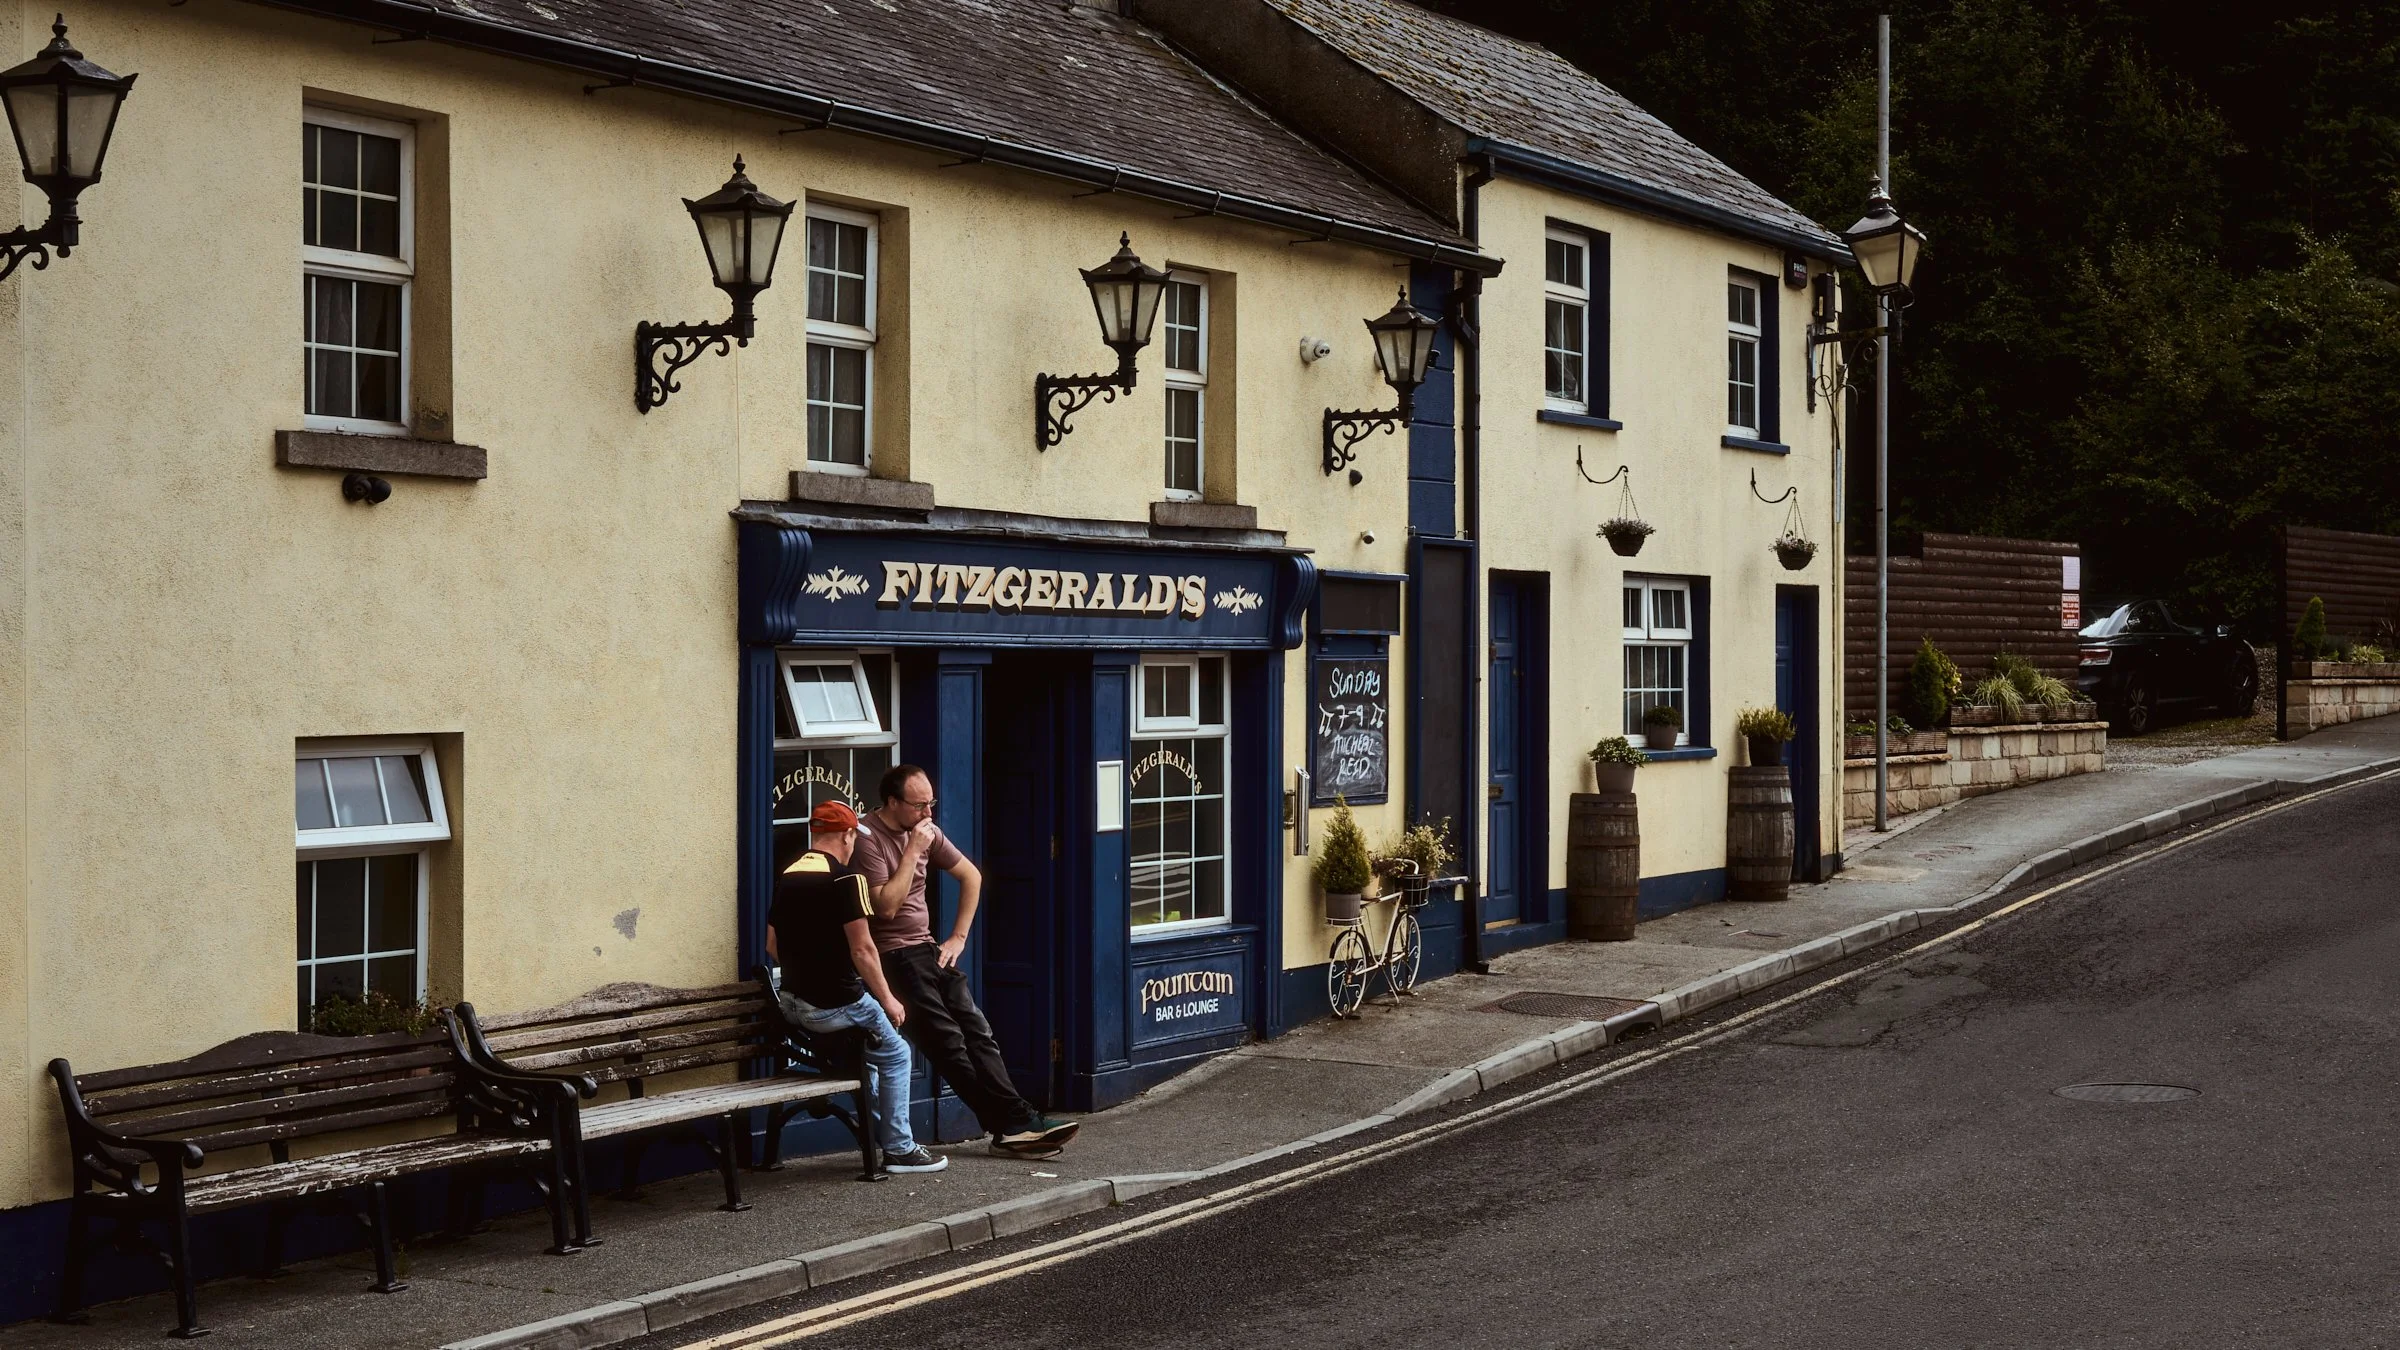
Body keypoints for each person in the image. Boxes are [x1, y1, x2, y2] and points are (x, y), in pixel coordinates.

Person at [859, 764, 1079, 1159]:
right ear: (892, 802)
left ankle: (1015, 1123)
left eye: (932, 804)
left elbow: (971, 876)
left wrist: (958, 937)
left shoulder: (927, 830)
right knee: (948, 1043)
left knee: (978, 1031)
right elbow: (887, 907)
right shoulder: (867, 839)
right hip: (893, 956)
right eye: (918, 806)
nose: (928, 815)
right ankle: (1013, 1124)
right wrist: (912, 851)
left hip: (927, 950)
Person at [766, 799, 948, 1174]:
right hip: (838, 1003)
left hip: (794, 1005)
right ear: (847, 835)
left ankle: (889, 1137)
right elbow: (863, 950)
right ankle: (899, 1149)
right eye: (853, 838)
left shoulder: (786, 877)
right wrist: (889, 1000)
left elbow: (772, 947)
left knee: (874, 1060)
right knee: (897, 1054)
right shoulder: (848, 880)